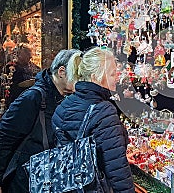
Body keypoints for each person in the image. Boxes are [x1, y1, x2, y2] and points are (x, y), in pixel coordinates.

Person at [0, 48, 81, 193]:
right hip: (23, 182)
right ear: (61, 72)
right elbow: (2, 139)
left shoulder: (61, 98)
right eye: (77, 76)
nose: (80, 82)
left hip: (41, 180)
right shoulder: (33, 97)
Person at [52, 47, 134, 193]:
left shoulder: (65, 104)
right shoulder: (103, 110)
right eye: (112, 74)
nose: (117, 78)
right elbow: (117, 171)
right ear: (96, 77)